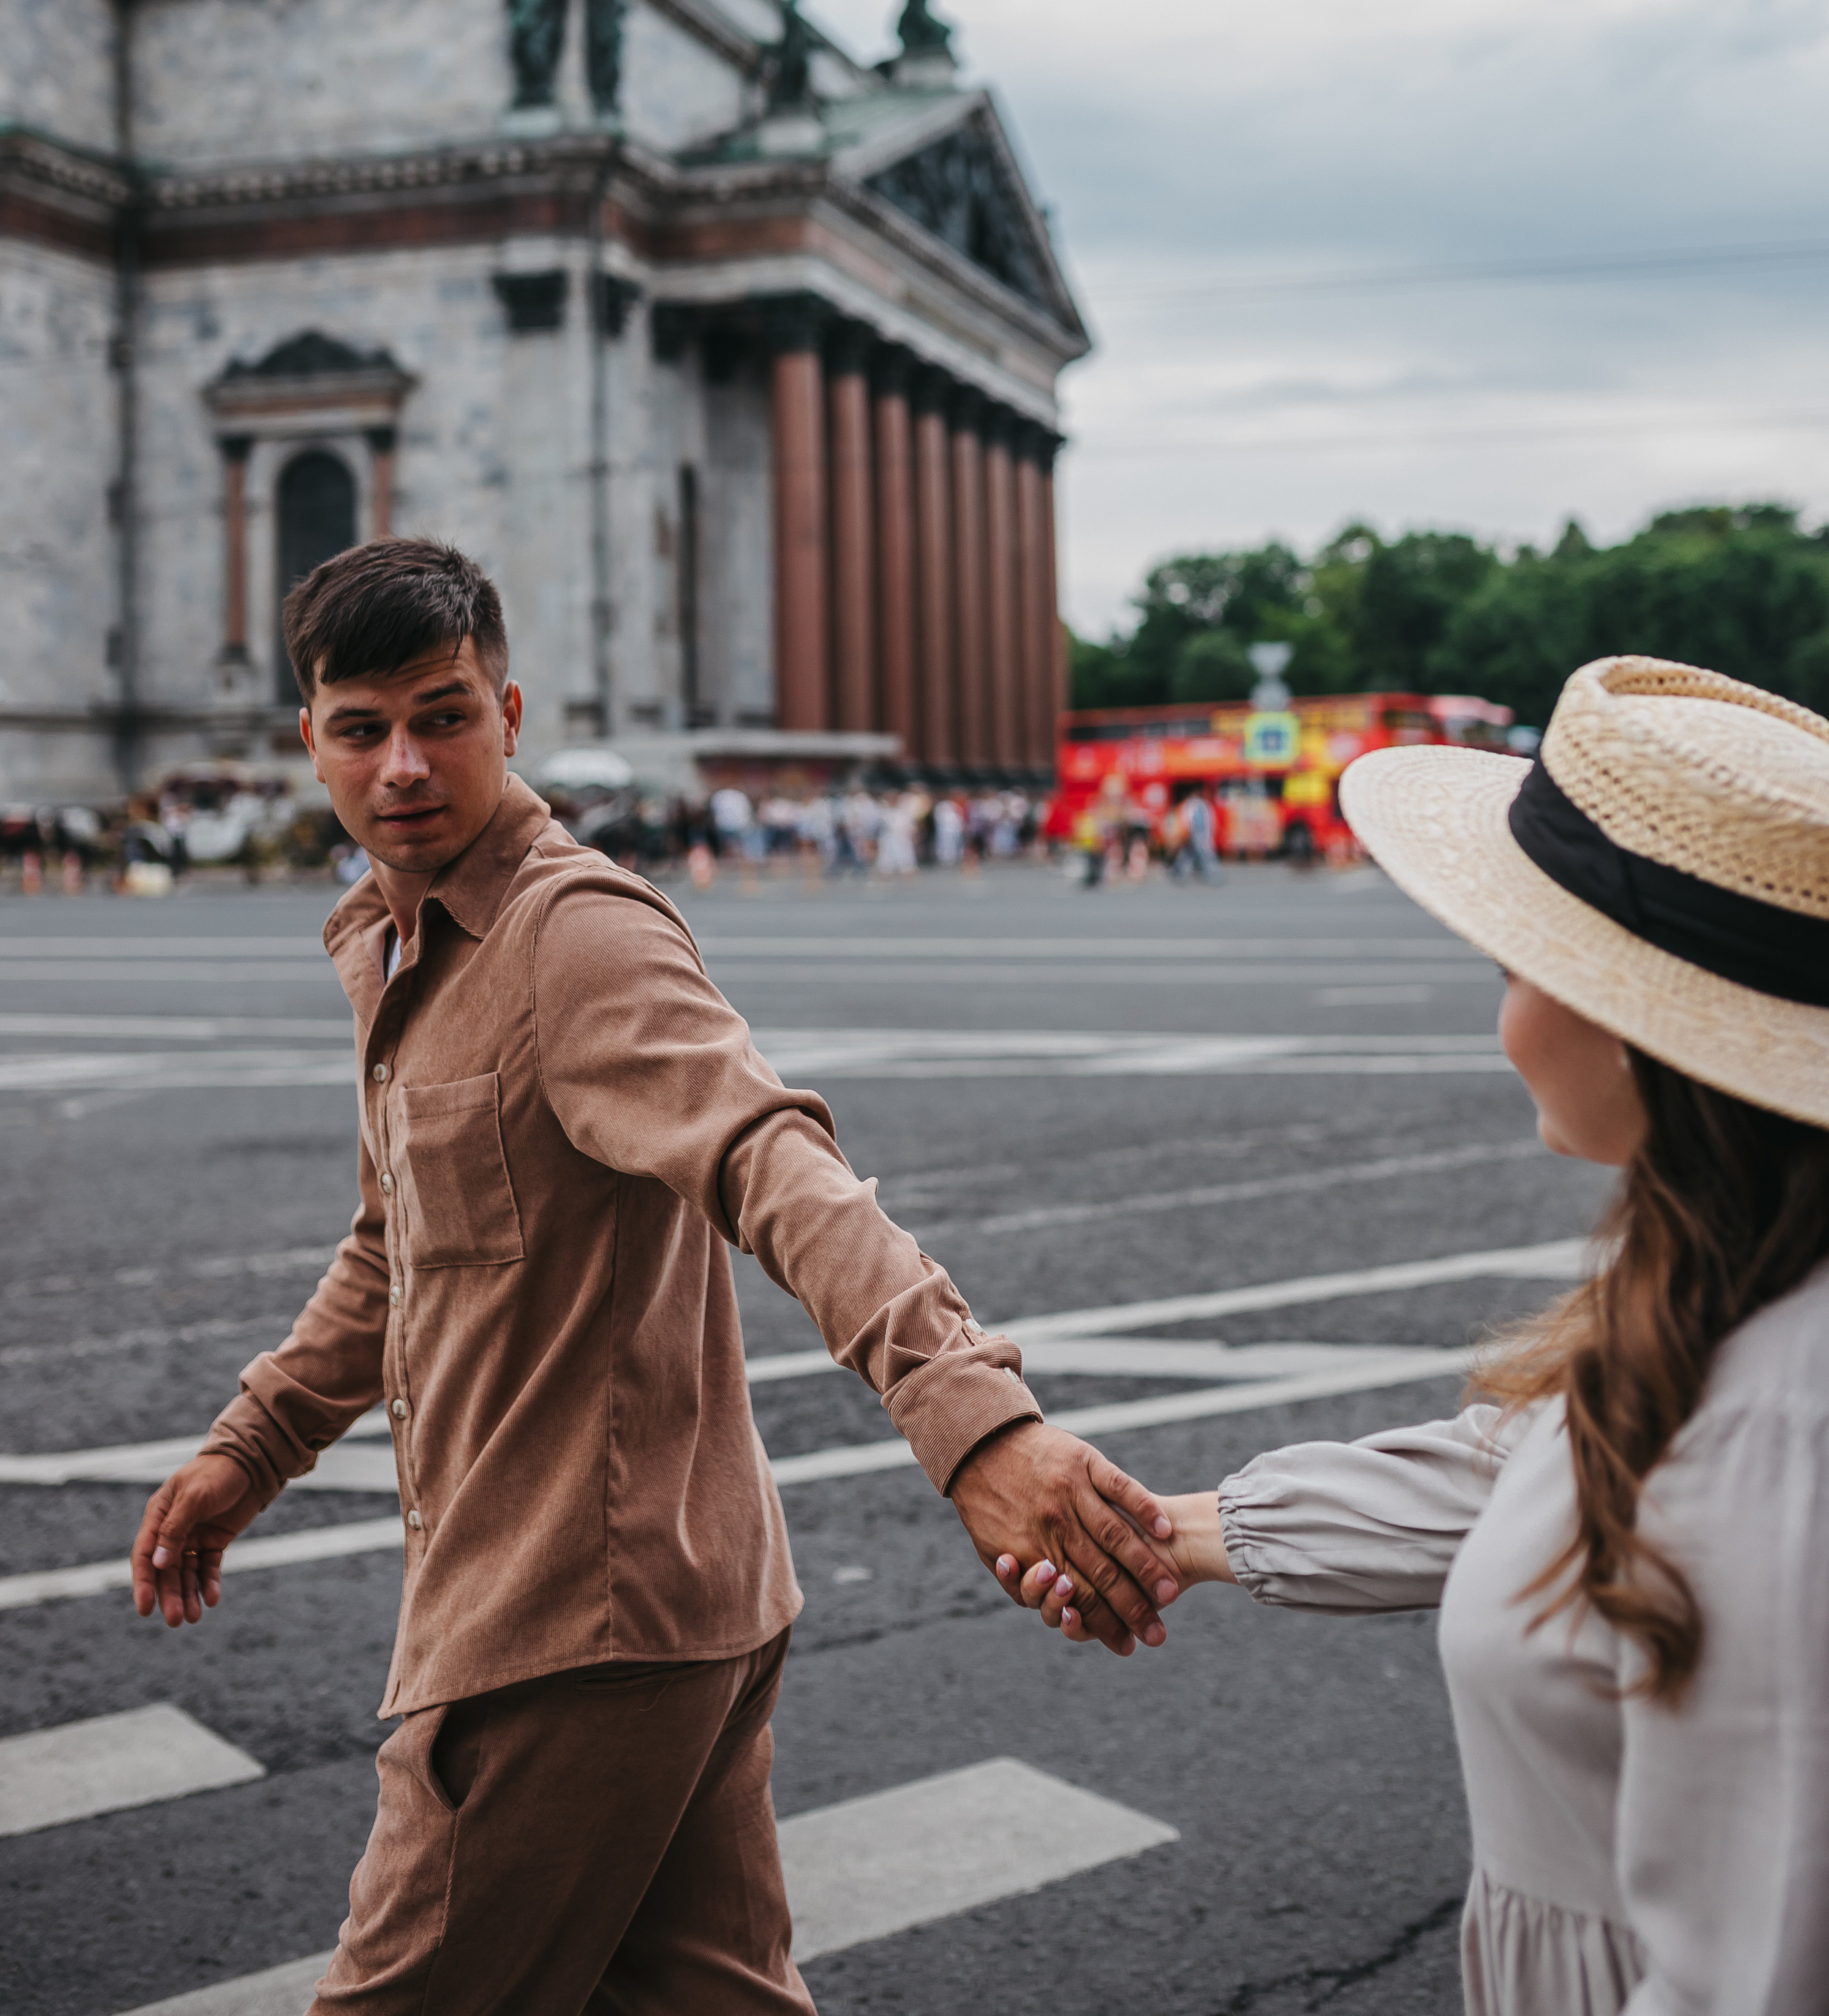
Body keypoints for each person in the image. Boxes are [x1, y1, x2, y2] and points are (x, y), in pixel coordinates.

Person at [130, 539, 1178, 2016]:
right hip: (676, 1600)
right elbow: (399, 1241)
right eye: (362, 729)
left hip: (568, 1616)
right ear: (309, 740)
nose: (405, 764)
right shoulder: (394, 936)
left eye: (442, 716)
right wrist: (255, 1444)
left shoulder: (573, 933)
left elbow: (772, 1160)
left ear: (507, 709)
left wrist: (975, 1422)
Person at [1001, 654, 1829, 2011]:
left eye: (1517, 965)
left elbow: (1762, 1978)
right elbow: (1530, 1472)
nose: (1503, 1020)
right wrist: (1174, 1533)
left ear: (1641, 1027)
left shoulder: (1782, 1438)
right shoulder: (1761, 1306)